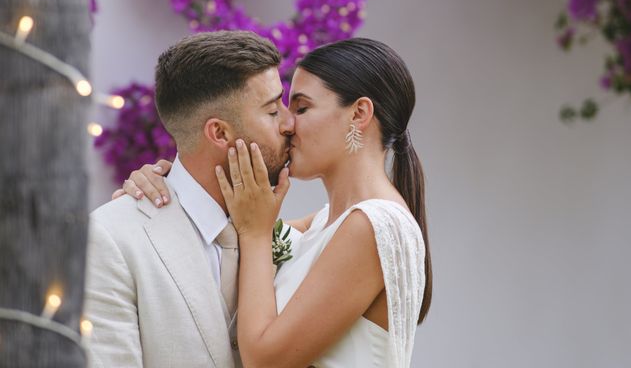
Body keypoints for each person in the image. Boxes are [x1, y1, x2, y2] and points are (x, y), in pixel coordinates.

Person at [120, 37, 433, 367]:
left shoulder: (371, 226)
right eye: (280, 109)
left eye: (302, 108)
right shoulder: (322, 224)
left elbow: (264, 360)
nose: (288, 124)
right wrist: (163, 186)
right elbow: (219, 237)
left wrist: (256, 234)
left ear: (359, 113)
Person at [84, 31, 296, 368]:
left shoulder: (298, 240)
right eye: (272, 111)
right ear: (219, 133)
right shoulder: (111, 239)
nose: (289, 122)